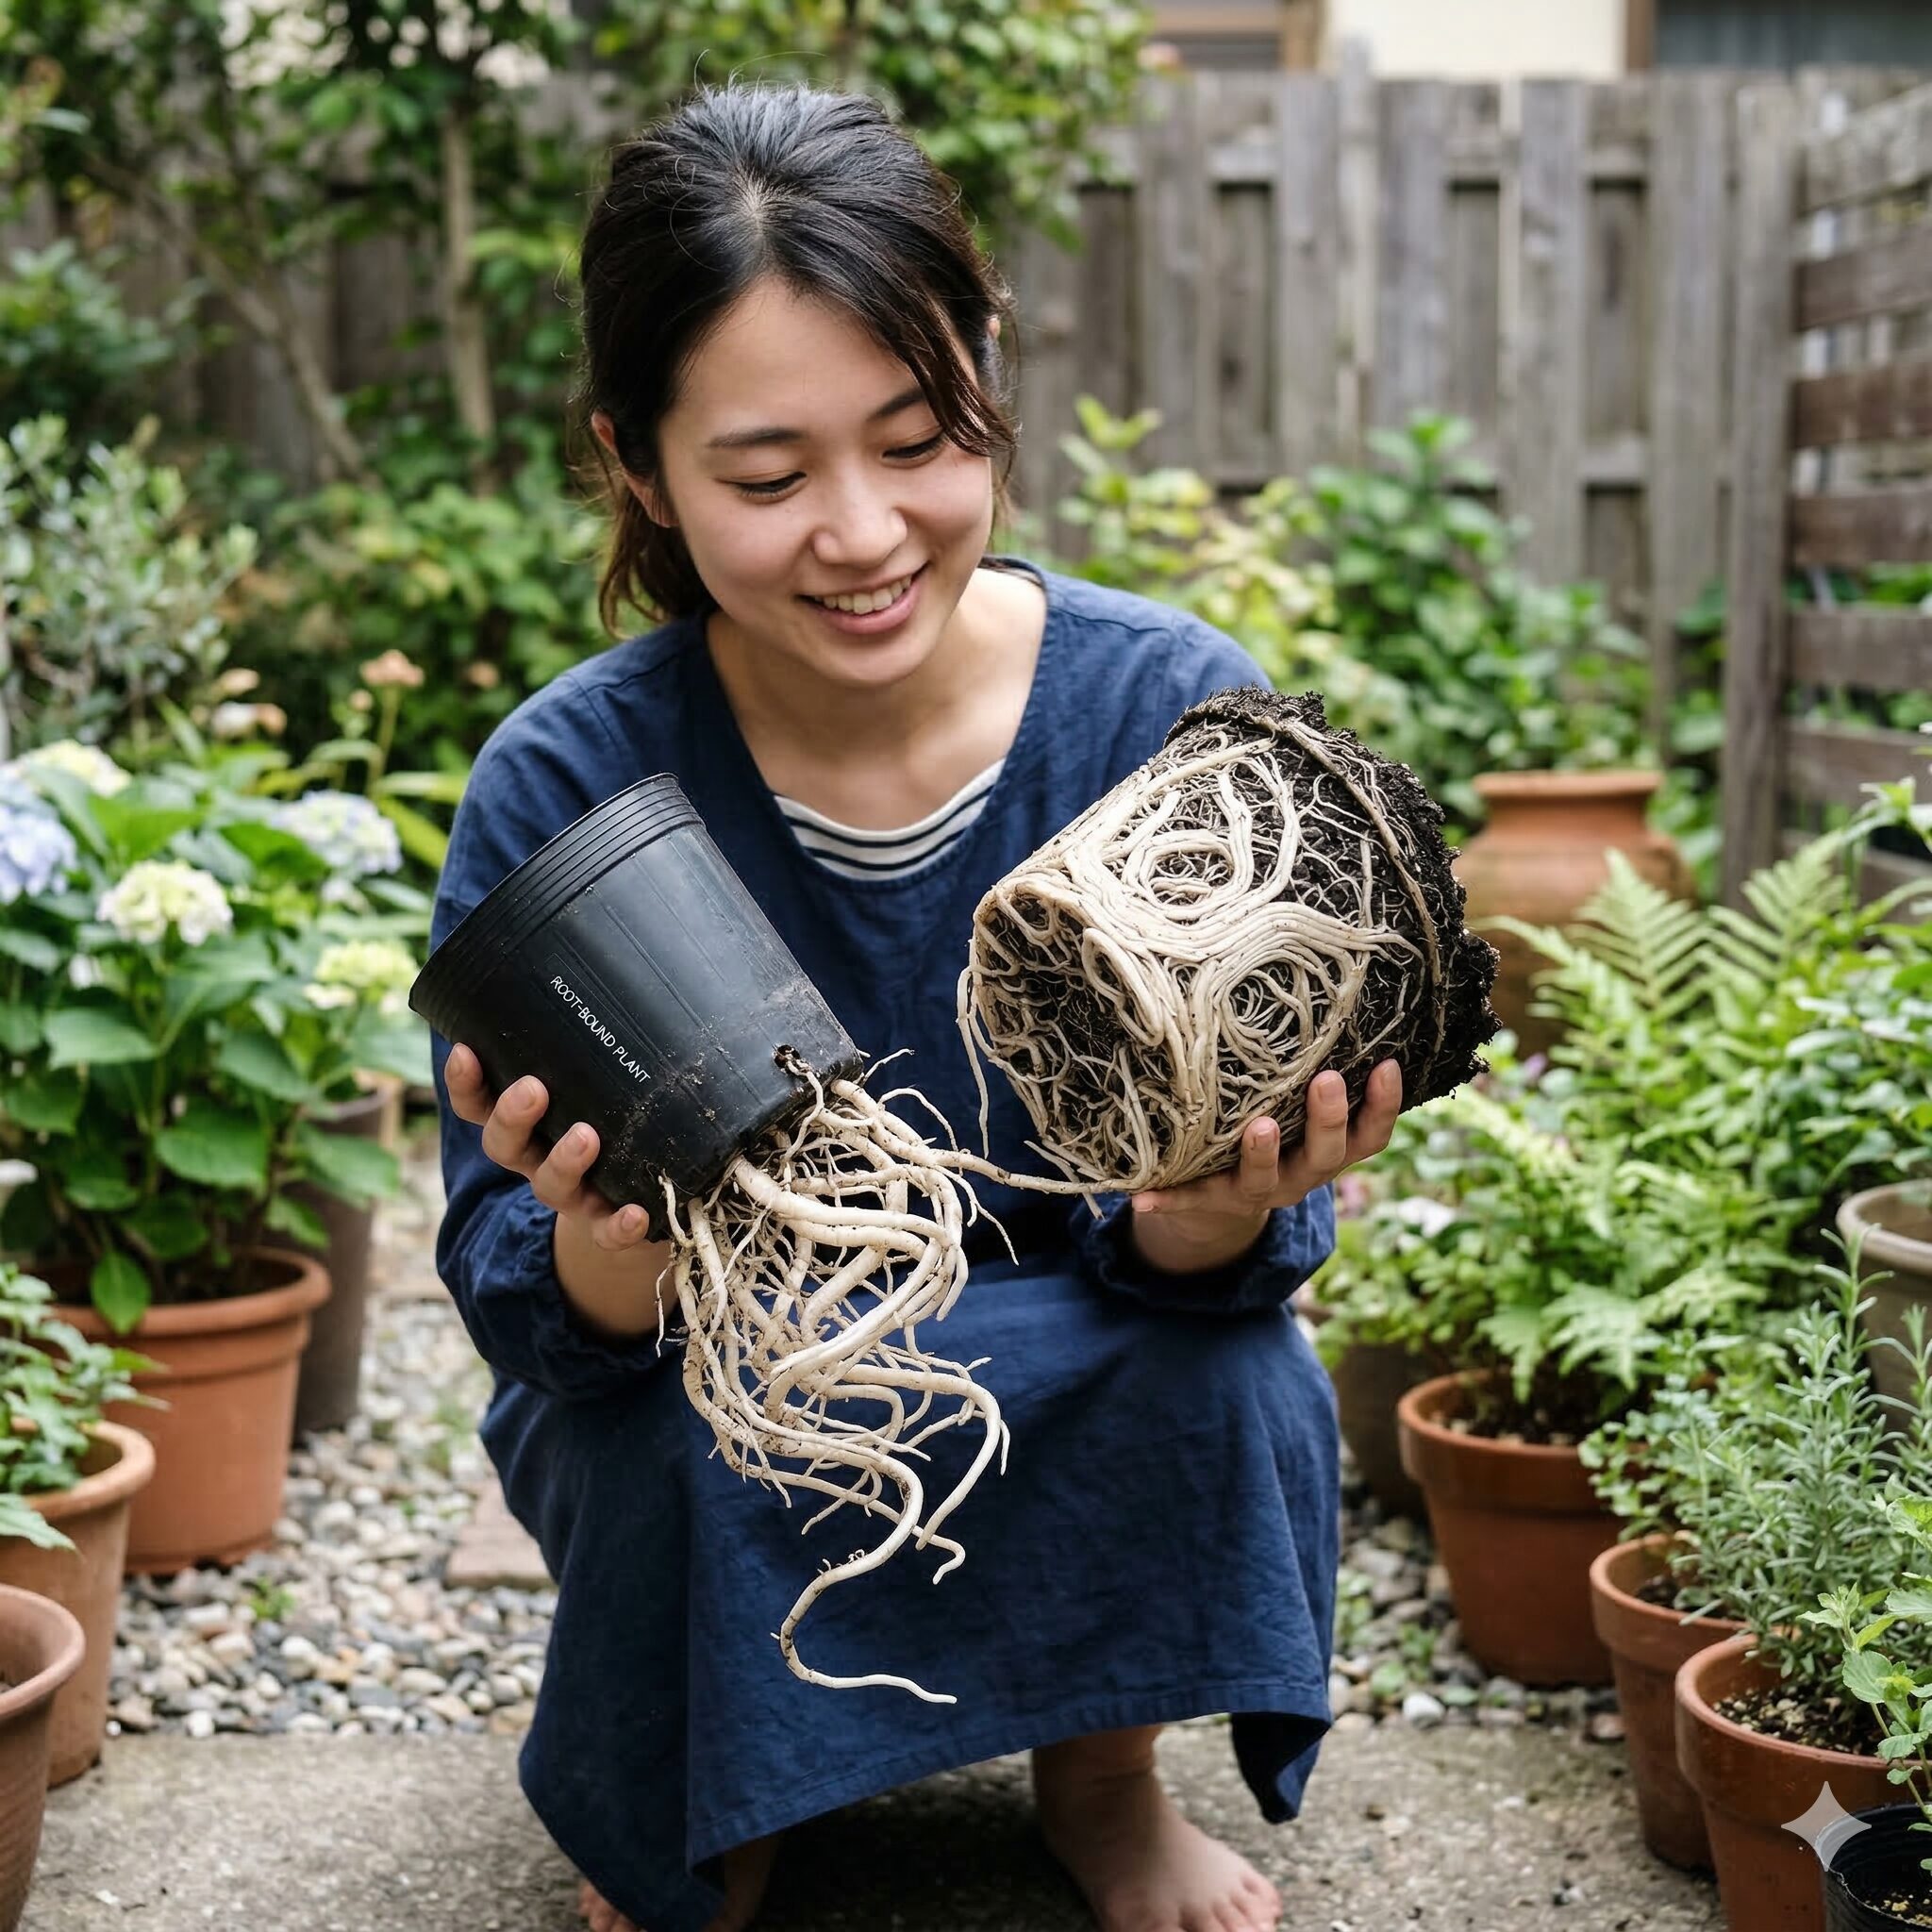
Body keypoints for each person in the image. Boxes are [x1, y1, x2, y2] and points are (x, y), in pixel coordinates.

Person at [430, 79, 1403, 1932]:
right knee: (677, 1431)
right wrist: (608, 1249)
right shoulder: (571, 787)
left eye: (918, 437)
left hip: (1092, 1314)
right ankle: (719, 1788)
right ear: (637, 462)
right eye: (767, 476)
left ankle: (1102, 1781)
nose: (864, 532)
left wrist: (1214, 1212)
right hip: (718, 1359)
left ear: (987, 372)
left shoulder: (1168, 719)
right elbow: (534, 1314)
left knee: (1226, 1370)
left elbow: (1217, 1259)